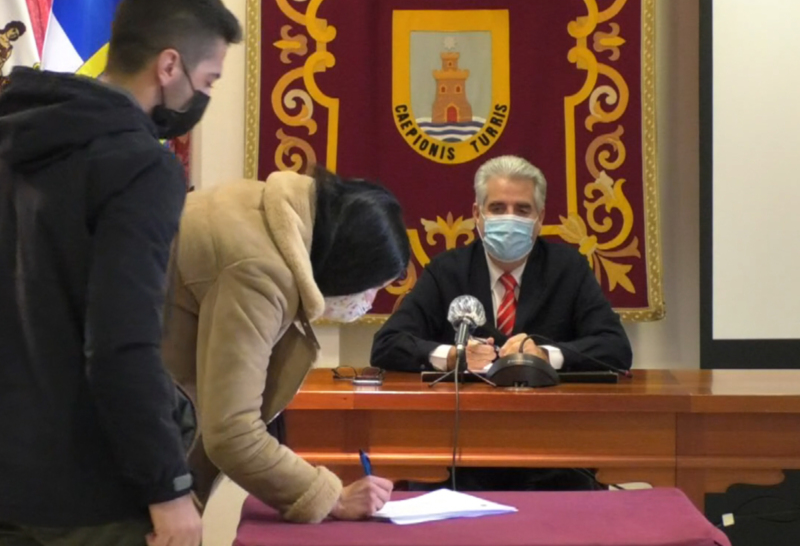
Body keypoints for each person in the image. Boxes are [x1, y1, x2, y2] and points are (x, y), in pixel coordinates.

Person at [0, 0, 241, 546]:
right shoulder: (139, 163)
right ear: (169, 65)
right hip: (100, 492)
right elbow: (119, 343)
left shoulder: (11, 139)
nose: (204, 94)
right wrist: (168, 487)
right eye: (208, 78)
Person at [161, 166, 410, 523]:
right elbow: (231, 433)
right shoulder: (261, 270)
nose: (368, 301)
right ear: (348, 266)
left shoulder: (258, 207)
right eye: (371, 288)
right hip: (117, 457)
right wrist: (332, 496)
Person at [371, 154, 632, 491]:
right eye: (497, 208)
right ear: (477, 215)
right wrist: (454, 356)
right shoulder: (447, 270)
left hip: (554, 454)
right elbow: (386, 344)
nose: (510, 218)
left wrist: (546, 356)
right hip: (461, 458)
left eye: (522, 210)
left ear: (540, 219)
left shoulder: (569, 269)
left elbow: (616, 348)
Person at [0, 20, 27, 91]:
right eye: (14, 30)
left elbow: (2, 63)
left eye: (16, 34)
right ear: (9, 27)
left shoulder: (9, 48)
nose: (13, 34)